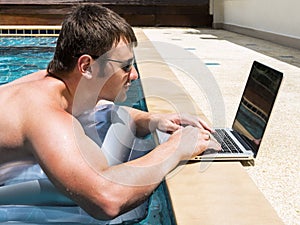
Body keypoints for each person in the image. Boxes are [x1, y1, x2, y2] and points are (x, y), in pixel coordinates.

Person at [0, 4, 220, 221]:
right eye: (125, 66)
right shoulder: (45, 116)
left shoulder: (54, 84)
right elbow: (106, 200)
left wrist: (153, 119)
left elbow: (104, 111)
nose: (133, 75)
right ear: (86, 67)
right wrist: (175, 148)